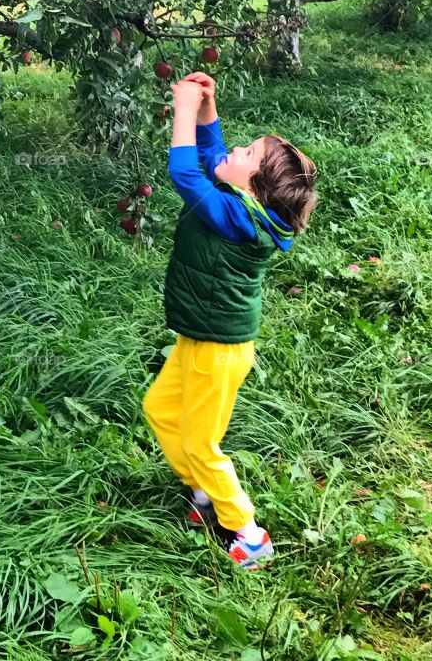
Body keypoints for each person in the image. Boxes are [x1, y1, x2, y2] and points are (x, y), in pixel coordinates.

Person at [143, 72, 318, 569]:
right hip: (201, 337)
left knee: (201, 441)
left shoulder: (238, 219)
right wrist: (207, 109)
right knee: (160, 409)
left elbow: (186, 174)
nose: (236, 149)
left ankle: (247, 531)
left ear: (254, 185)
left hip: (218, 350)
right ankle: (203, 495)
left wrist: (183, 107)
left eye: (249, 153)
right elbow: (214, 158)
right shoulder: (244, 205)